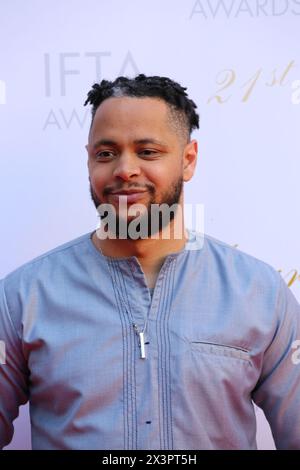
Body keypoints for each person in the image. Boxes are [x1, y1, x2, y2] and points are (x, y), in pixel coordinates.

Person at [0, 74, 299, 450]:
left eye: (148, 151)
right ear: (89, 160)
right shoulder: (22, 297)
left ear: (188, 160)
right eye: (106, 153)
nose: (125, 169)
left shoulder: (259, 292)